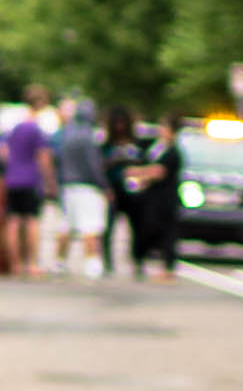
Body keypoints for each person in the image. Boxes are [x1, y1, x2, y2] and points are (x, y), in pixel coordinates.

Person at [125, 112, 188, 281]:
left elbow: (159, 171)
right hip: (150, 197)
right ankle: (139, 260)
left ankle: (168, 267)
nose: (161, 130)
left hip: (165, 198)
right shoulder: (156, 147)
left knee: (167, 232)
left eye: (165, 127)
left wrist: (137, 173)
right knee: (145, 229)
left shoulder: (174, 152)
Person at [53, 99, 109, 280]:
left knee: (66, 226)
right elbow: (94, 165)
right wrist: (104, 185)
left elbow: (59, 161)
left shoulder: (67, 134)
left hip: (68, 186)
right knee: (90, 226)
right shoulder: (89, 136)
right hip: (87, 186)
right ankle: (92, 264)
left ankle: (59, 262)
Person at [1, 92, 54, 275]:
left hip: (12, 179)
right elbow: (44, 157)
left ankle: (15, 265)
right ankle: (31, 264)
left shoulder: (15, 128)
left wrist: (13, 165)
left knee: (13, 221)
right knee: (32, 221)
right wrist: (50, 181)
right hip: (30, 179)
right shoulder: (36, 129)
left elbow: (3, 152)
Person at [99, 106, 141, 275]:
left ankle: (137, 260)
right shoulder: (106, 145)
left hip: (132, 190)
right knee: (108, 228)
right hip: (114, 189)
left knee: (136, 227)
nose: (120, 127)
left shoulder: (136, 144)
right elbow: (101, 168)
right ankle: (108, 262)